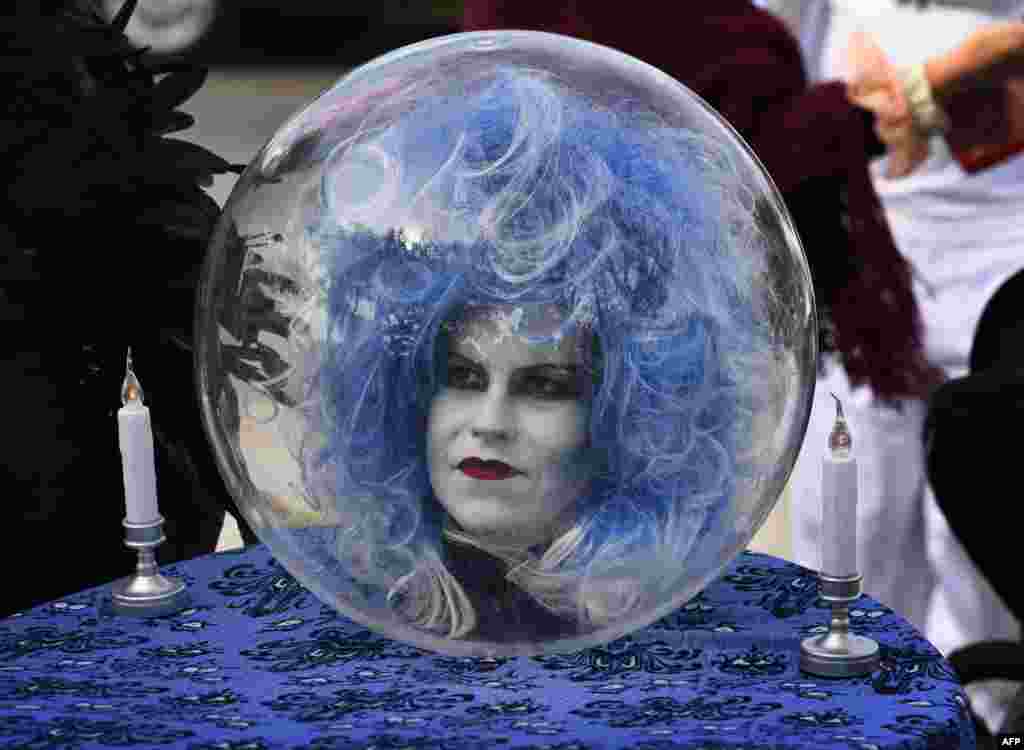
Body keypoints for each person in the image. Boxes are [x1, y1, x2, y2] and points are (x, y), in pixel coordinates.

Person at [299, 65, 788, 643]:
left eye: (545, 386)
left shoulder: (683, 644)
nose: (489, 424)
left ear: (631, 423)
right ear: (404, 397)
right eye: (461, 376)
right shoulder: (341, 616)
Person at [760, 0, 1024, 732]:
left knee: (980, 571)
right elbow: (764, 81)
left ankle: (977, 723)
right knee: (851, 538)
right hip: (863, 287)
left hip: (1006, 290)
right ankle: (846, 724)